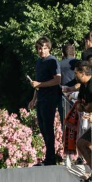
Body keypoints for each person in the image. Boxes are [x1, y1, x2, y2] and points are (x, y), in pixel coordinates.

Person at [28, 37, 63, 166]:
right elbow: (37, 84)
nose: (42, 51)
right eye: (39, 48)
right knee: (43, 128)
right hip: (41, 98)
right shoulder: (39, 61)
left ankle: (51, 159)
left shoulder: (52, 61)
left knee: (48, 129)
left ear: (49, 48)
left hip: (50, 98)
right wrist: (33, 99)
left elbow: (57, 80)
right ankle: (48, 157)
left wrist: (40, 84)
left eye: (44, 48)